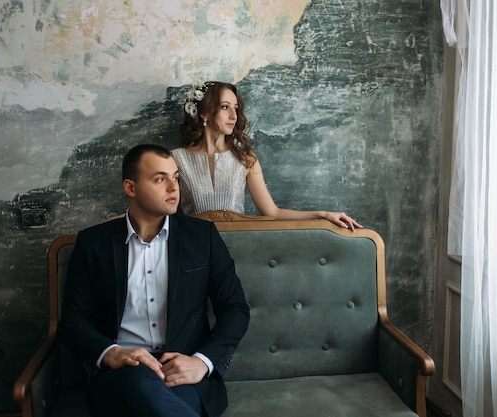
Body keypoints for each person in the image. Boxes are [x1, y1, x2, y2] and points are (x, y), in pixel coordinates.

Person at [59, 144, 250, 417]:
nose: (174, 188)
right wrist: (111, 353)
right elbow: (74, 320)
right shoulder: (93, 243)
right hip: (123, 373)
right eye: (160, 179)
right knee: (139, 385)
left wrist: (201, 362)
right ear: (130, 188)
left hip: (183, 372)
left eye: (176, 178)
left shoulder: (202, 237)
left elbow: (235, 309)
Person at [172, 81, 363, 230]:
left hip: (238, 250)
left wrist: (324, 214)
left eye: (236, 108)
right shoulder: (175, 159)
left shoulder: (245, 159)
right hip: (192, 248)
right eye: (224, 107)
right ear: (205, 113)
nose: (234, 115)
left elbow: (272, 212)